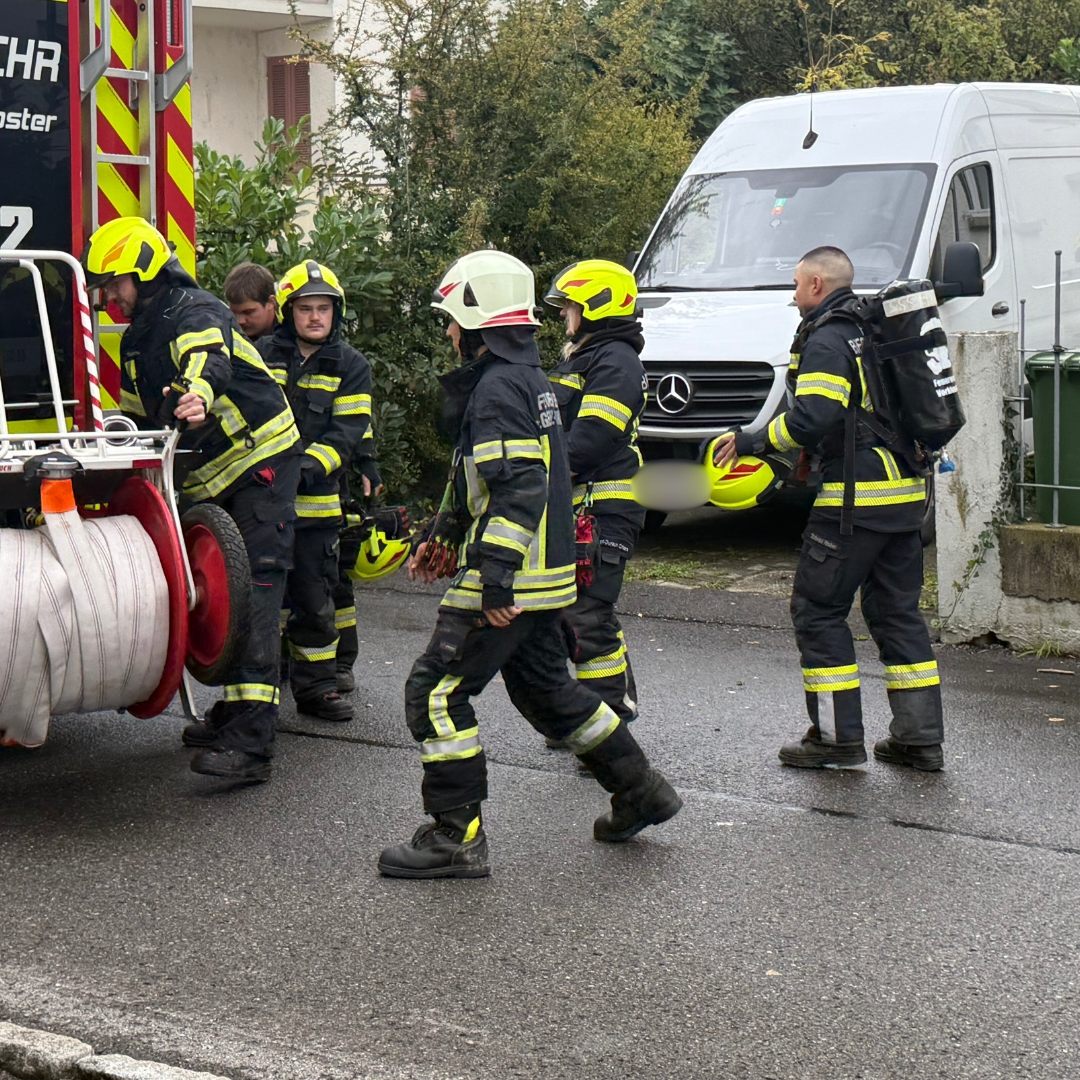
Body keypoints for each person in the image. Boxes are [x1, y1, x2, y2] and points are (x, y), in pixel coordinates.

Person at [377, 249, 681, 880]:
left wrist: (492, 579)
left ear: (474, 316)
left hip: (513, 576)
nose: (447, 332)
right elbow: (488, 478)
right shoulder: (528, 379)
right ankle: (639, 791)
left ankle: (455, 837)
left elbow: (518, 488)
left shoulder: (496, 389)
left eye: (450, 319)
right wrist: (445, 530)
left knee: (432, 693)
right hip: (543, 574)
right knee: (550, 694)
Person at [82, 216, 301, 784]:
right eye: (101, 291)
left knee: (251, 590)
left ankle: (250, 747)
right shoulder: (135, 342)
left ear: (145, 273)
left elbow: (209, 361)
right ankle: (237, 710)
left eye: (113, 286)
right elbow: (135, 419)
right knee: (224, 596)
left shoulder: (194, 308)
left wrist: (199, 394)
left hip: (260, 464)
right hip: (212, 480)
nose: (107, 300)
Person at [713, 245, 944, 771]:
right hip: (905, 498)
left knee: (818, 613)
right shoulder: (871, 329)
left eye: (796, 286)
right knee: (896, 615)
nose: (793, 297)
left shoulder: (829, 337)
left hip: (853, 503)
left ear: (817, 284)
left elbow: (814, 416)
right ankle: (919, 739)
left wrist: (753, 441)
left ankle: (836, 739)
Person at [256, 260, 380, 721]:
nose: (314, 317)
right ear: (288, 312)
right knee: (263, 598)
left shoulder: (351, 365)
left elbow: (346, 434)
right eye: (305, 308)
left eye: (323, 308)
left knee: (314, 600)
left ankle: (318, 689)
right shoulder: (261, 353)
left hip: (316, 508)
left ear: (335, 312)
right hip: (263, 505)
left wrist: (301, 468)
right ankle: (257, 688)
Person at [543, 259, 646, 726]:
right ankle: (603, 708)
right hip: (583, 506)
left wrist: (536, 472)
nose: (566, 314)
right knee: (573, 614)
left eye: (571, 306)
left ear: (596, 305)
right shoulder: (586, 357)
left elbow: (591, 440)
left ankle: (608, 723)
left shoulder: (615, 361)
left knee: (587, 615)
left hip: (603, 508)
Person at [223, 261, 278, 342]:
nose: (240, 321)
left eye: (248, 312)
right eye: (233, 313)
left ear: (271, 302)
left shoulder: (294, 338)